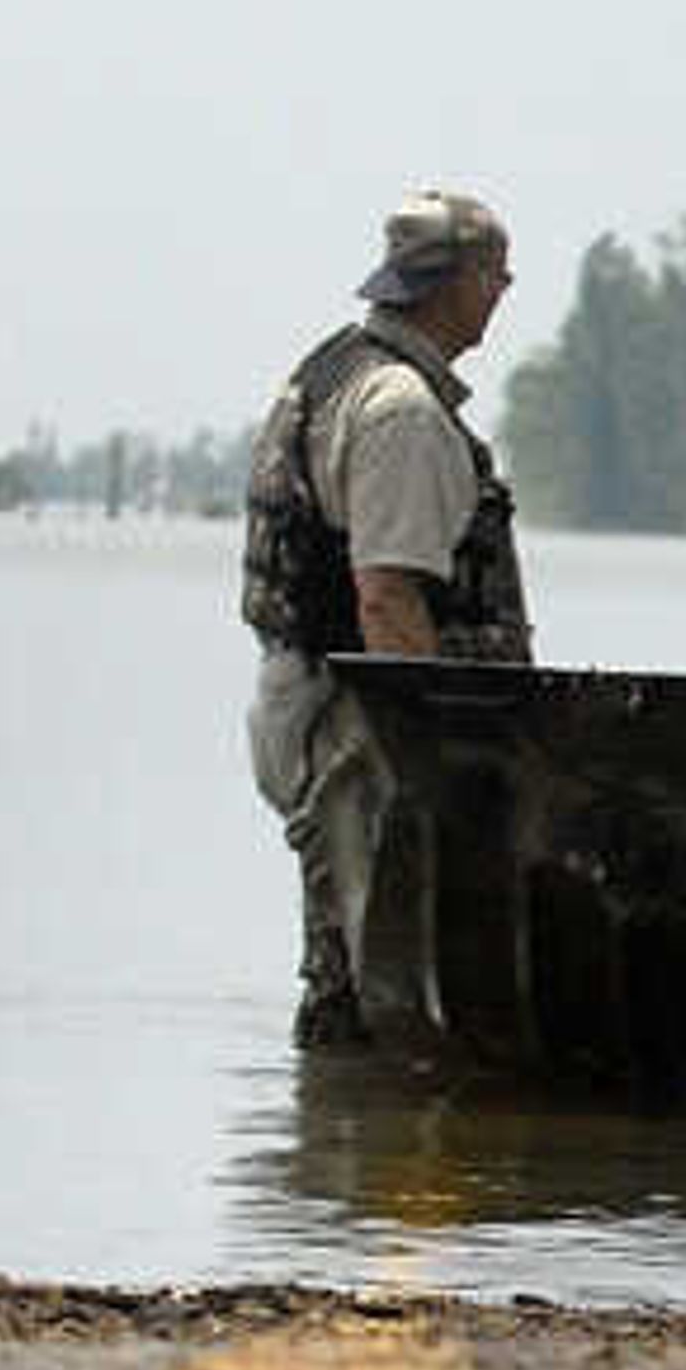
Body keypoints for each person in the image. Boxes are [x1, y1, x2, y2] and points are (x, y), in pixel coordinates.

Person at [241, 190, 531, 1044]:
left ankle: (337, 1136)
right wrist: (431, 765)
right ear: (458, 283)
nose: (505, 290)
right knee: (381, 986)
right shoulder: (401, 409)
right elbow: (388, 596)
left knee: (355, 963)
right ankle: (354, 1142)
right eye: (497, 273)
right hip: (368, 731)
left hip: (320, 708)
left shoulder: (335, 368)